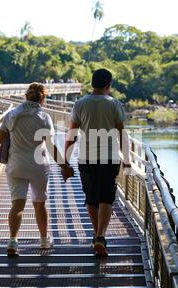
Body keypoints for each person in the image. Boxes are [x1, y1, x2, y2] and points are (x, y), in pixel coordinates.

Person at [0, 83, 74, 256]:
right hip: (38, 166)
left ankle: (12, 242)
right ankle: (44, 240)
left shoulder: (12, 115)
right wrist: (64, 166)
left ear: (26, 96)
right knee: (39, 204)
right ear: (42, 98)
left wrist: (13, 134)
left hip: (16, 165)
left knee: (17, 204)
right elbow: (50, 145)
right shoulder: (44, 117)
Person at [64, 69, 131, 257]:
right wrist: (126, 159)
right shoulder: (114, 104)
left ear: (92, 83)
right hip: (110, 158)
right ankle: (100, 235)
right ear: (108, 85)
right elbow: (121, 133)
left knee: (91, 198)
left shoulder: (80, 104)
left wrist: (65, 161)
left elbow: (71, 133)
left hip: (85, 158)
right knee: (106, 197)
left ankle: (98, 235)